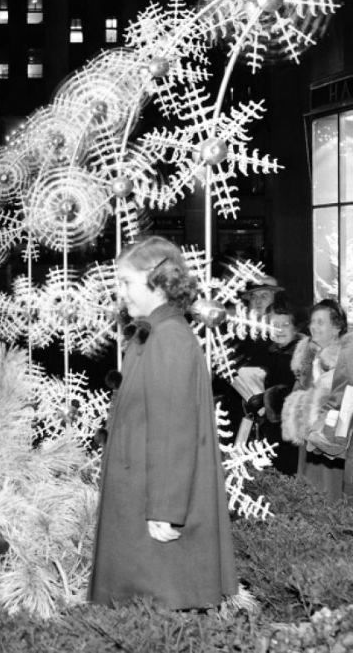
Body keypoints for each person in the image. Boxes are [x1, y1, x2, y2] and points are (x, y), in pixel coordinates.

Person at [89, 236, 237, 610]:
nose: (120, 294)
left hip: (151, 506)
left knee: (158, 606)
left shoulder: (168, 338)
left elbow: (174, 430)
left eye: (126, 283)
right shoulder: (154, 333)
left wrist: (165, 509)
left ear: (157, 283)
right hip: (141, 493)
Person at [281, 298, 351, 499]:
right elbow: (295, 394)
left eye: (320, 322)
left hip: (332, 443)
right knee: (307, 493)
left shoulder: (345, 361)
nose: (313, 327)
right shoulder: (307, 358)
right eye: (312, 322)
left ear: (336, 327)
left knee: (329, 496)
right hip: (308, 440)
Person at [243, 299, 300, 474]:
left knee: (287, 473)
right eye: (275, 324)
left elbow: (297, 392)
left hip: (291, 433)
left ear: (296, 328)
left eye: (286, 324)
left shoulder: (301, 355)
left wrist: (266, 398)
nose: (280, 329)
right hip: (267, 430)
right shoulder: (266, 352)